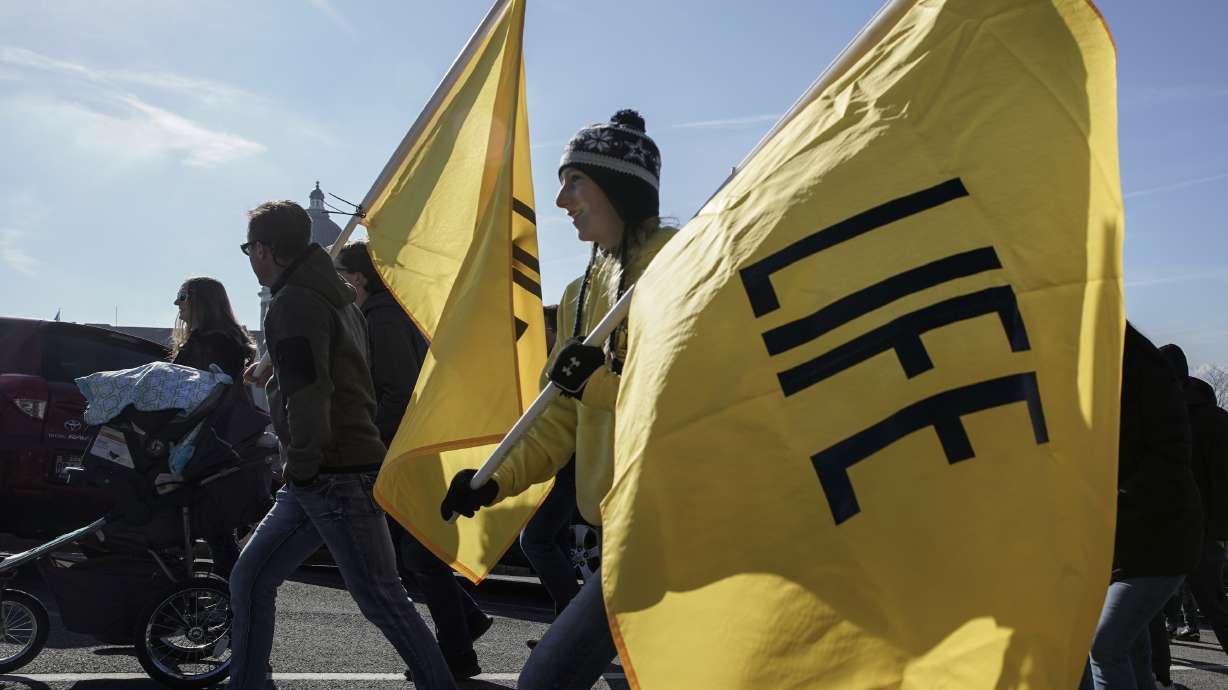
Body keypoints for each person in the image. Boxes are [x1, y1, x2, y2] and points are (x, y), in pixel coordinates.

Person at [440, 109, 675, 690]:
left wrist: (595, 381)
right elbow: (556, 416)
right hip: (617, 533)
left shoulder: (678, 264)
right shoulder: (580, 291)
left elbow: (686, 393)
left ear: (618, 189)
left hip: (679, 523)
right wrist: (495, 479)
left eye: (575, 182)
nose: (561, 199)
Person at [228, 200, 455, 690]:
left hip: (330, 472)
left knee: (382, 599)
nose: (249, 258)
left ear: (265, 249)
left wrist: (303, 465)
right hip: (332, 469)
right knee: (251, 579)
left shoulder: (293, 304)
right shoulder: (334, 296)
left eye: (250, 248)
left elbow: (310, 391)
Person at [334, 241, 493, 680]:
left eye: (340, 273)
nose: (337, 281)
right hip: (409, 446)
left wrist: (373, 443)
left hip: (403, 449)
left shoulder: (381, 318)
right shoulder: (382, 313)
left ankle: (458, 654)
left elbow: (396, 392)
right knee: (416, 554)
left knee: (418, 556)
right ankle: (468, 625)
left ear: (358, 278)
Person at [1082, 323, 1202, 690]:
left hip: (1157, 541)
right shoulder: (1123, 364)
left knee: (1105, 647)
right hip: (1141, 542)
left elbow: (1168, 457)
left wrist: (1111, 503)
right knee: (1131, 648)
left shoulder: (1136, 366)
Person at [169, 276, 257, 577]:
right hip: (224, 439)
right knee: (217, 527)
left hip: (202, 439)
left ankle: (221, 599)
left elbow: (184, 388)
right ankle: (228, 598)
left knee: (201, 522)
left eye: (182, 296)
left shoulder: (207, 342)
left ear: (200, 301)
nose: (177, 303)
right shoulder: (229, 340)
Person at [519, 305, 581, 648]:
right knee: (553, 541)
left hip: (571, 463)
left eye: (543, 328)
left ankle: (572, 626)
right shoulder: (546, 366)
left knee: (535, 540)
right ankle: (565, 631)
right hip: (563, 462)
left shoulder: (565, 365)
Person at [1161, 343, 1228, 653]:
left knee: (1147, 608)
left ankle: (1155, 674)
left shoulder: (1182, 420)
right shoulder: (1214, 417)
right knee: (1211, 603)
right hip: (1202, 529)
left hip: (1194, 529)